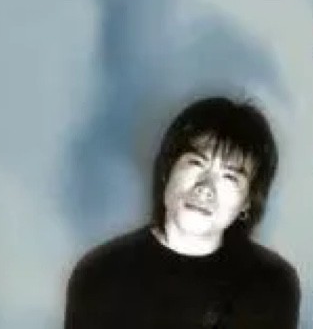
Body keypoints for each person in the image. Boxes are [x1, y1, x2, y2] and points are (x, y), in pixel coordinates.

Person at [64, 97, 300, 328]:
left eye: (230, 177)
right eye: (196, 163)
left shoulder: (271, 285)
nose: (206, 188)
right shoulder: (101, 273)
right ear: (167, 170)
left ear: (248, 202)